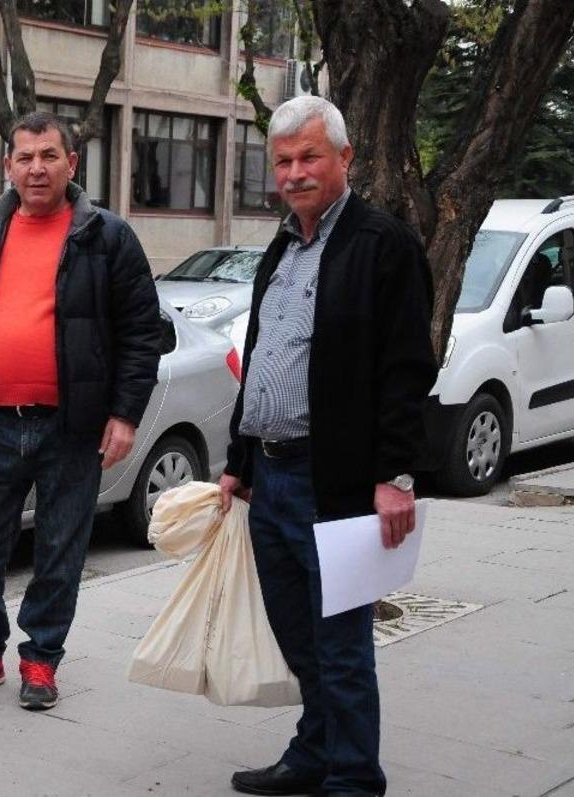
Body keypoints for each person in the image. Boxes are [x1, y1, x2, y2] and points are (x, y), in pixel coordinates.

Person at [218, 96, 438, 797]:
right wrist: (238, 462)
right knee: (298, 637)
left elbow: (406, 368)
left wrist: (396, 475)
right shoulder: (283, 246)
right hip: (273, 478)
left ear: (344, 157)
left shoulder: (383, 244)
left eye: (309, 156)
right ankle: (314, 751)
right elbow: (263, 356)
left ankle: (352, 778)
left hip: (337, 481)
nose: (295, 172)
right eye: (283, 161)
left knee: (341, 647)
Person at [0, 111, 162, 711]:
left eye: (49, 156)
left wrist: (125, 414)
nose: (36, 167)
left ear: (72, 164)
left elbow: (141, 333)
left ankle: (41, 660)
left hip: (72, 426)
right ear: (8, 165)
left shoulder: (106, 237)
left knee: (61, 548)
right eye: (25, 157)